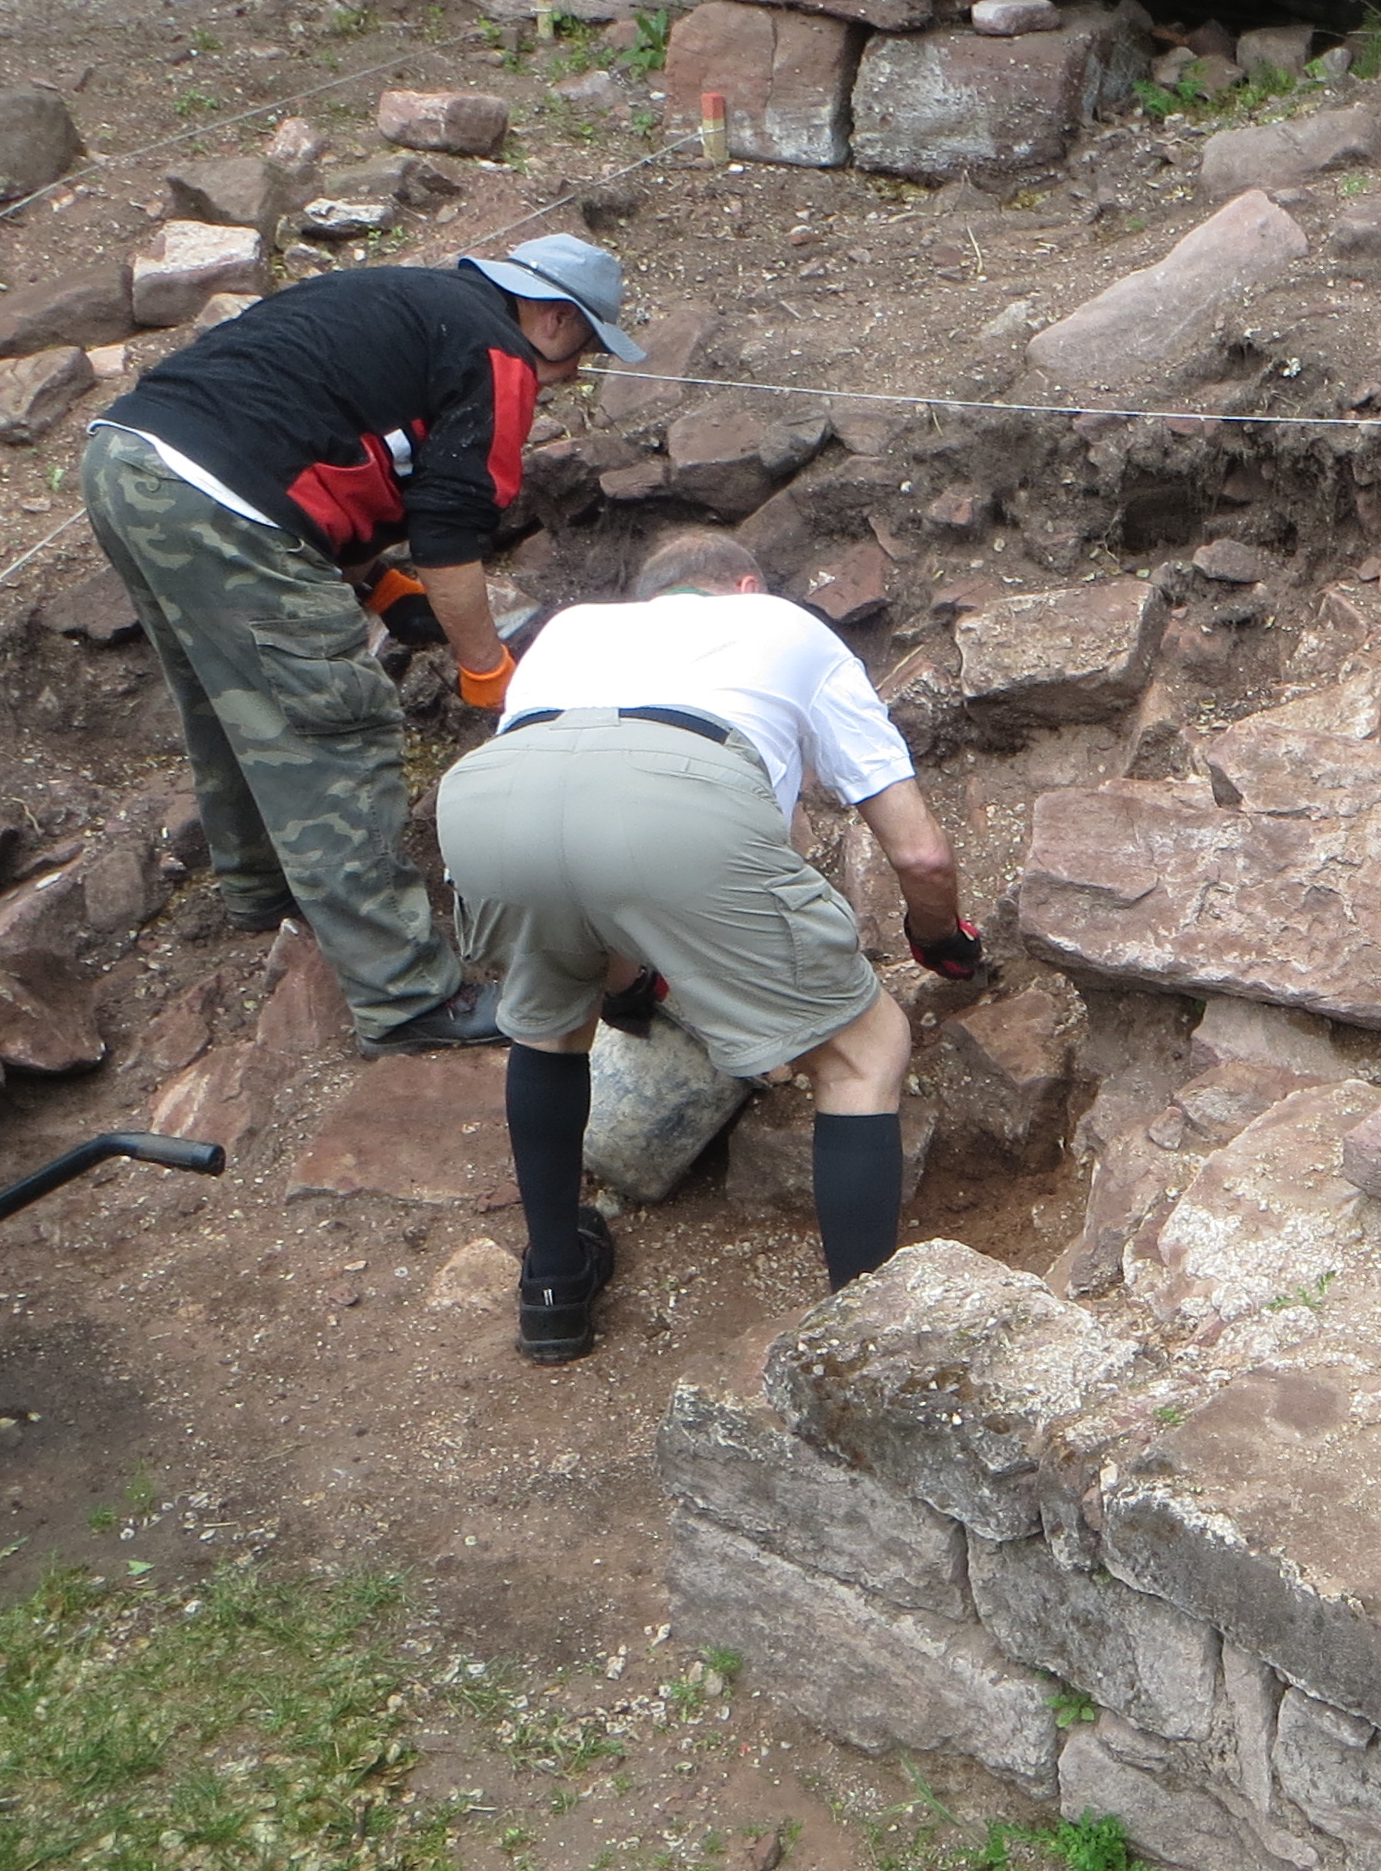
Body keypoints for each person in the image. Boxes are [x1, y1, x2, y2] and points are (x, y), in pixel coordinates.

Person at [79, 234, 644, 1051]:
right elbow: (450, 535)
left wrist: (377, 583)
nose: (573, 372)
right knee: (334, 730)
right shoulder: (497, 352)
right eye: (583, 348)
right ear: (555, 318)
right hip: (223, 494)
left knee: (230, 694)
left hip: (128, 460)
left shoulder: (409, 302)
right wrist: (485, 666)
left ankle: (263, 888)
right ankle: (408, 998)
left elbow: (323, 447)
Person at [434, 527, 978, 1364]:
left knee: (547, 1024)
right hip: (681, 798)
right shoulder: (787, 627)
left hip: (489, 804)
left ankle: (552, 1289)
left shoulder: (571, 629)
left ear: (650, 600)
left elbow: (581, 839)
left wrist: (624, 986)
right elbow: (921, 854)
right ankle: (860, 1347)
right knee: (865, 1051)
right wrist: (939, 939)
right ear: (747, 587)